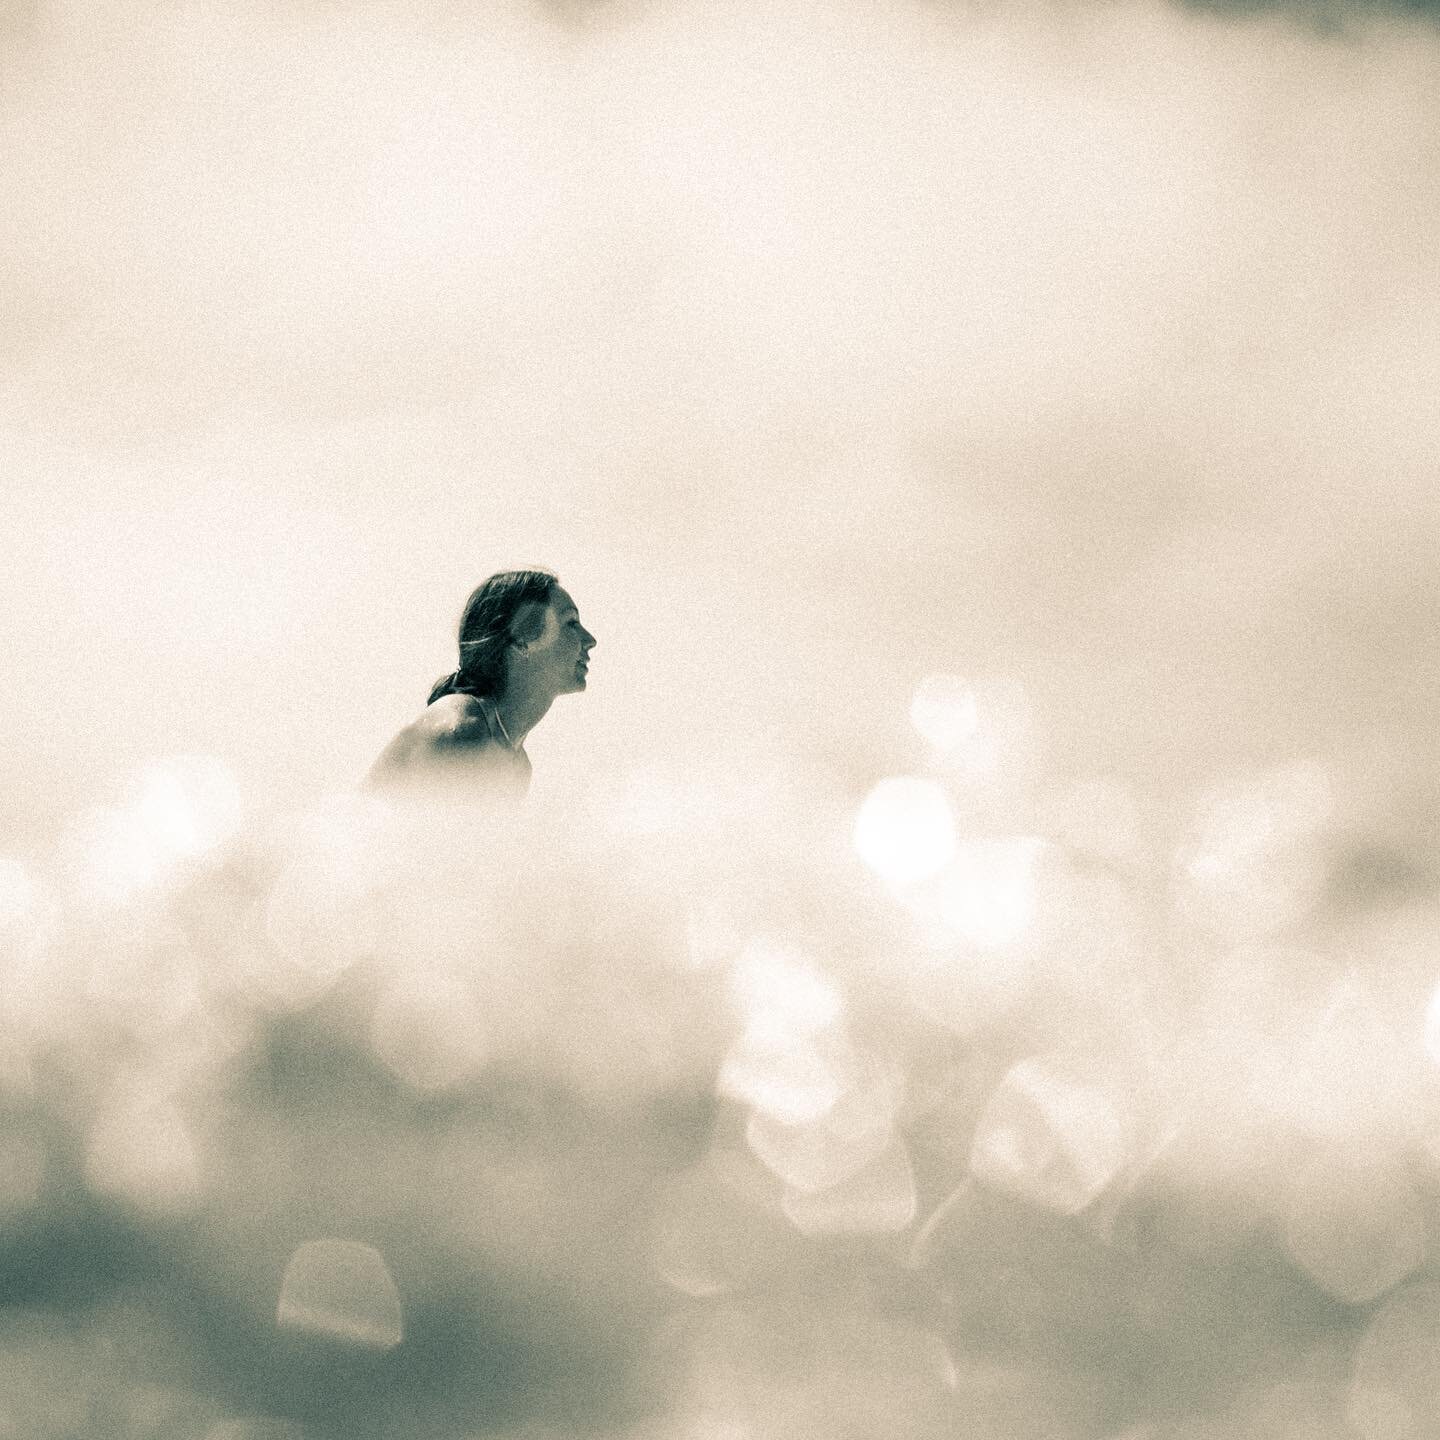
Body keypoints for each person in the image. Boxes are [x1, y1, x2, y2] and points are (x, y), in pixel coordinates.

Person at [368, 569, 595, 797]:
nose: (590, 640)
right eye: (571, 623)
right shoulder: (461, 730)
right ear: (523, 639)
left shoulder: (518, 766)